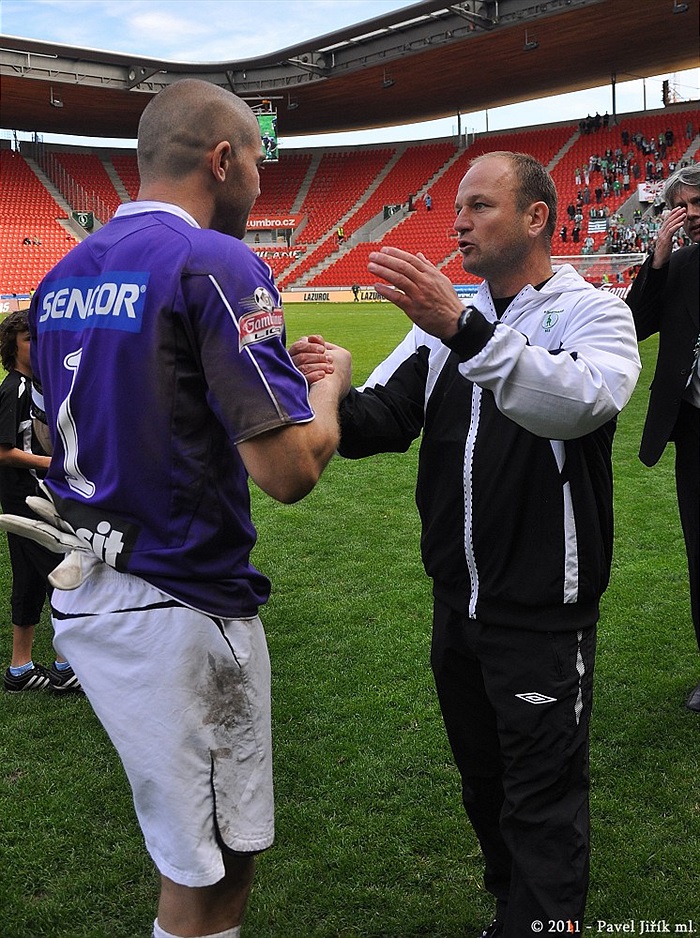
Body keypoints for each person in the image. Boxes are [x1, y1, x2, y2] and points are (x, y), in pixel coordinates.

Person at [3, 78, 351, 938]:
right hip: (180, 601)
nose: (263, 184)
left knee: (196, 857)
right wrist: (332, 389)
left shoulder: (57, 279)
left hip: (92, 588)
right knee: (212, 874)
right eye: (260, 162)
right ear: (222, 159)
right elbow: (288, 472)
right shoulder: (216, 263)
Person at [291, 151, 641, 936]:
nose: (458, 223)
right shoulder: (452, 320)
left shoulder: (594, 312)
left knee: (543, 797)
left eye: (480, 206)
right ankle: (510, 905)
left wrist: (462, 328)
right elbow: (382, 420)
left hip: (541, 610)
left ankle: (542, 921)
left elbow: (579, 403)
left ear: (537, 217)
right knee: (484, 783)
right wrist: (328, 384)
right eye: (458, 208)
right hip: (459, 605)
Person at [625, 163, 700, 713]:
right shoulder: (680, 265)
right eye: (686, 205)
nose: (693, 214)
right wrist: (657, 260)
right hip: (694, 430)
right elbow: (635, 323)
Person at [0, 310, 81, 693]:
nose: (37, 344)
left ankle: (20, 669)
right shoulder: (14, 388)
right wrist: (52, 463)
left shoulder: (37, 385)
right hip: (28, 502)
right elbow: (3, 451)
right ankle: (68, 666)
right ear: (12, 348)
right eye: (28, 339)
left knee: (29, 582)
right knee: (63, 579)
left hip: (29, 500)